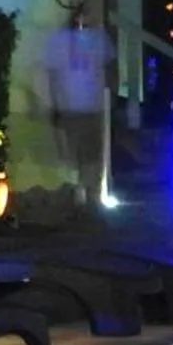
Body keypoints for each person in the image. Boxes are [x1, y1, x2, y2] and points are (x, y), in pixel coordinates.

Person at [46, 22, 114, 208]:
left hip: (90, 108)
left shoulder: (97, 38)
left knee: (89, 157)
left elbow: (108, 69)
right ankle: (77, 200)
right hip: (70, 108)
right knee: (71, 156)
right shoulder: (59, 41)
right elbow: (52, 76)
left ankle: (89, 201)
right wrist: (54, 104)